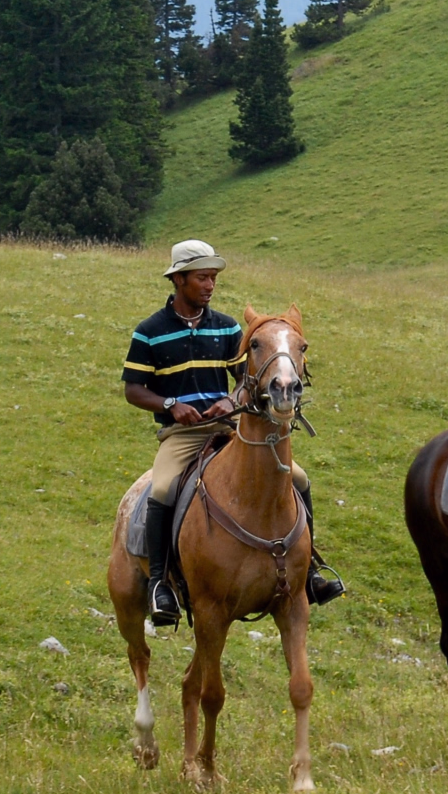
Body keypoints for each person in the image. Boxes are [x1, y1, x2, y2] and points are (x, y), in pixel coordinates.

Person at [123, 239, 344, 623]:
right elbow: (134, 390)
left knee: (300, 478)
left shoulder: (227, 327)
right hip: (182, 435)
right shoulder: (149, 332)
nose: (210, 286)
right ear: (178, 280)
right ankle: (160, 584)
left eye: (213, 279)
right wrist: (172, 406)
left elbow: (249, 378)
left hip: (230, 429)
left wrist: (231, 399)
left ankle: (310, 570)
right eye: (202, 278)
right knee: (161, 487)